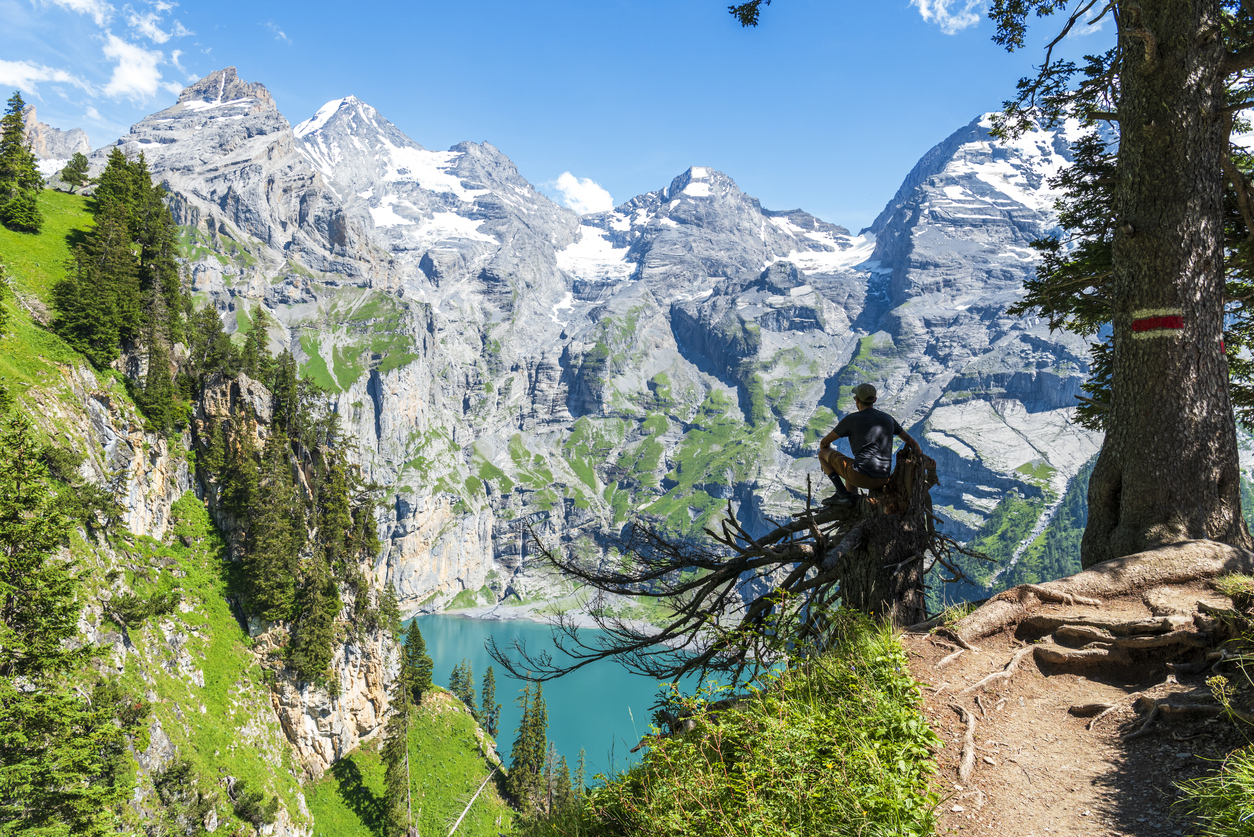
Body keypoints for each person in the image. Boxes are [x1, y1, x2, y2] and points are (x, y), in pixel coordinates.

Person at [818, 383, 921, 505]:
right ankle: (852, 497)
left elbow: (824, 443)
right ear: (875, 400)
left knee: (822, 453)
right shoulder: (888, 419)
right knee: (852, 464)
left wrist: (829, 464)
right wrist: (922, 459)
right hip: (884, 479)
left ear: (856, 400)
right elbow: (912, 442)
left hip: (862, 478)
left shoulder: (851, 419)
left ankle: (842, 494)